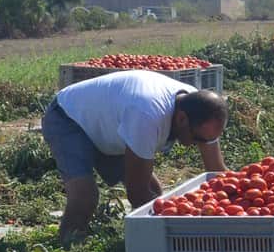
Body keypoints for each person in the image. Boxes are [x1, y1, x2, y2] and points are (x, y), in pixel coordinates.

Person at [41, 69, 228, 242]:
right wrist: (175, 234)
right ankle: (67, 251)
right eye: (198, 139)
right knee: (85, 196)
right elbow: (137, 193)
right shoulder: (147, 115)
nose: (201, 145)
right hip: (69, 117)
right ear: (181, 119)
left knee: (154, 193)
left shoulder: (201, 110)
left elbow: (217, 171)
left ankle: (140, 241)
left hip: (110, 124)